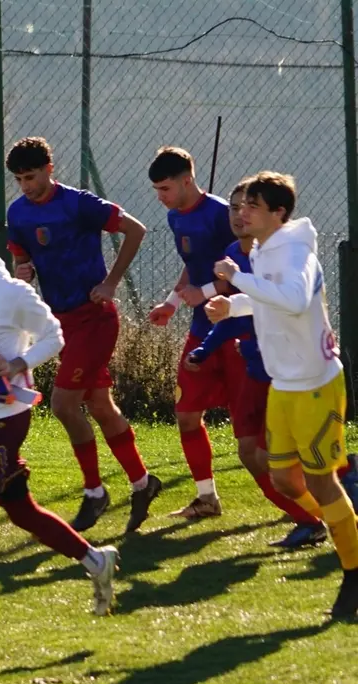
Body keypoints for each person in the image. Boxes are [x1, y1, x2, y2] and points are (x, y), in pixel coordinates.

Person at [0, 212, 120, 647]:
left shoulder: (12, 293)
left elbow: (54, 336)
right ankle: (94, 560)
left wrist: (16, 364)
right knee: (21, 510)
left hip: (7, 415)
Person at [207, 171, 358, 617]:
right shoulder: (267, 250)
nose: (242, 211)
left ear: (278, 213)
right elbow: (271, 299)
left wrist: (238, 280)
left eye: (252, 205)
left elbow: (292, 299)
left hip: (315, 385)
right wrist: (233, 305)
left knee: (320, 480)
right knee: (282, 479)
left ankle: (353, 570)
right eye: (241, 204)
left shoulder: (296, 252)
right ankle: (345, 529)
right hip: (285, 384)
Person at [5, 137, 160, 533]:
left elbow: (136, 230)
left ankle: (94, 492)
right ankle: (143, 483)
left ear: (50, 169)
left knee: (62, 404)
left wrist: (110, 283)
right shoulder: (18, 213)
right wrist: (23, 271)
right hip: (60, 324)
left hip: (95, 319)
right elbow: (22, 259)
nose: (26, 185)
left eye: (32, 176)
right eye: (20, 179)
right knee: (100, 406)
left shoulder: (78, 203)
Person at [147, 147, 245, 519]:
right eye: (156, 189)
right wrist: (172, 302)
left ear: (187, 180)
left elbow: (241, 273)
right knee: (187, 413)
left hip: (236, 329)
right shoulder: (176, 217)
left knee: (248, 428)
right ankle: (207, 498)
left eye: (166, 188)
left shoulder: (223, 214)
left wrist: (204, 293)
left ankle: (312, 491)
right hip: (201, 331)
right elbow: (193, 266)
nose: (160, 197)